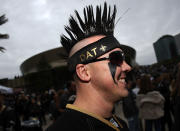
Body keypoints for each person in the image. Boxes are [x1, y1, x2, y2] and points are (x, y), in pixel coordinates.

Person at [47, 2, 132, 131]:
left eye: (124, 59)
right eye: (116, 58)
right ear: (84, 72)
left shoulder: (120, 124)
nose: (127, 67)